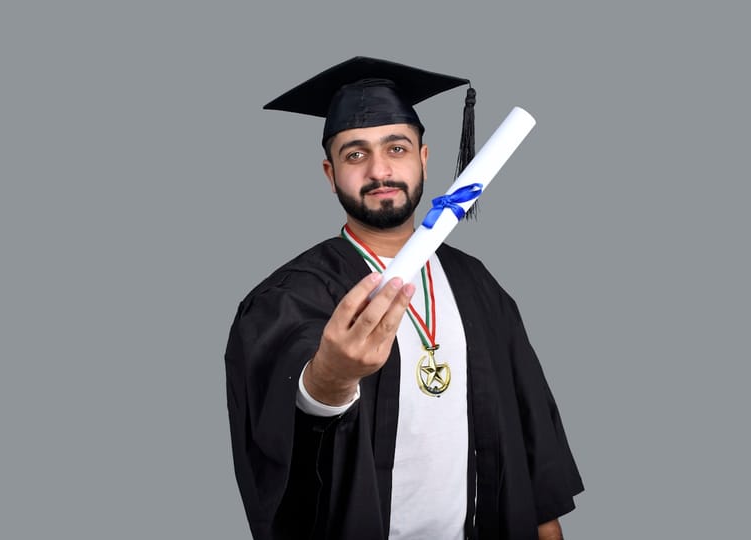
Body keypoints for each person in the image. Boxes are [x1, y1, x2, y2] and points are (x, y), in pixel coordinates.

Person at [225, 56, 584, 540]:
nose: (380, 170)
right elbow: (276, 448)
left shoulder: (478, 284)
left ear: (425, 159)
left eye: (397, 147)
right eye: (355, 155)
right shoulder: (288, 297)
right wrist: (325, 386)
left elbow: (532, 438)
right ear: (330, 174)